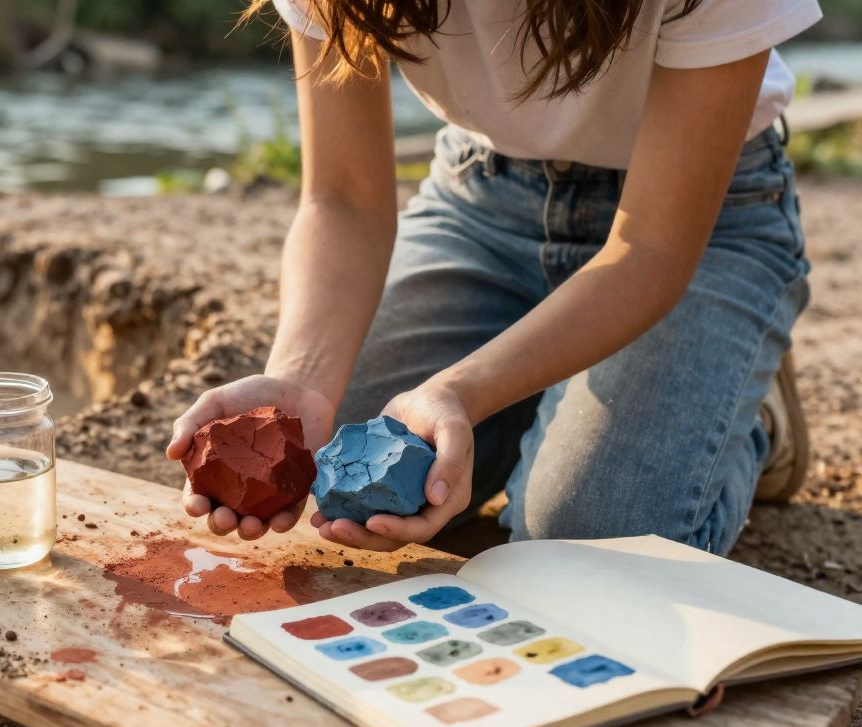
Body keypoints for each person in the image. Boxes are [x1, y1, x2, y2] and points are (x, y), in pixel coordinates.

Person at [165, 0, 821, 556]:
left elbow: (651, 248)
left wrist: (460, 389)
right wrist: (301, 380)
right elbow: (343, 199)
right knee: (334, 476)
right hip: (481, 199)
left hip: (697, 221)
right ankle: (551, 402)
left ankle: (747, 415)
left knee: (581, 540)